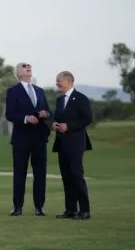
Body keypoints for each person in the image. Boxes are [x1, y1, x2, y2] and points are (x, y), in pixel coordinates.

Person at [5, 62, 52, 216]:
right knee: (20, 173)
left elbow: (48, 110)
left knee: (40, 173)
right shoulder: (12, 91)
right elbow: (10, 114)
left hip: (39, 137)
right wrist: (25, 118)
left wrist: (46, 114)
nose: (28, 67)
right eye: (24, 66)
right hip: (21, 138)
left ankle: (39, 207)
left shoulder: (39, 90)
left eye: (29, 66)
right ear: (19, 73)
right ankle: (17, 206)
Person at [52, 71, 93, 220]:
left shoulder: (81, 99)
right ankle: (70, 209)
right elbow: (57, 117)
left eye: (59, 81)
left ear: (69, 81)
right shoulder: (59, 100)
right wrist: (55, 124)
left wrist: (69, 126)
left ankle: (85, 210)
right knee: (66, 177)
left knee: (76, 175)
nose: (57, 84)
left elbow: (87, 118)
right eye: (57, 81)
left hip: (76, 144)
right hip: (62, 144)